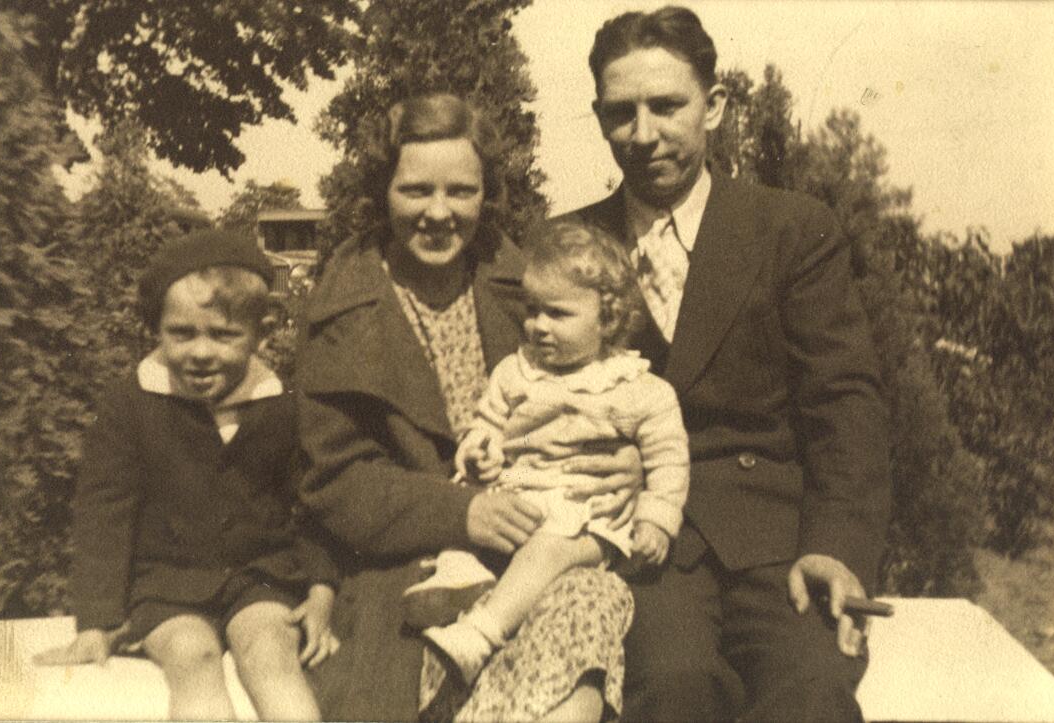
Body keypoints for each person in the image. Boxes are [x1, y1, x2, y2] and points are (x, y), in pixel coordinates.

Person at [556, 6, 892, 721]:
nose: (644, 135)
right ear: (599, 117)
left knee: (811, 688)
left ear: (716, 107)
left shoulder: (791, 229)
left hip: (776, 546)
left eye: (667, 105)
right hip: (641, 546)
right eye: (621, 113)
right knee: (671, 686)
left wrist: (837, 547)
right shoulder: (568, 245)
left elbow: (845, 404)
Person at [297, 93, 641, 723]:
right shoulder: (343, 308)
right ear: (383, 192)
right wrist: (464, 513)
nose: (438, 213)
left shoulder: (532, 288)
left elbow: (614, 388)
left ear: (486, 193)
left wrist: (628, 463)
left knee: (581, 630)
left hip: (535, 545)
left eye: (461, 191)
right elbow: (335, 481)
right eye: (415, 191)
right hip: (398, 566)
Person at [34, 230, 339, 721]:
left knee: (271, 653)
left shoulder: (280, 404)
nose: (201, 352)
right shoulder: (132, 404)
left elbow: (313, 501)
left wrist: (321, 588)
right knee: (191, 657)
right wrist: (97, 621)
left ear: (261, 333)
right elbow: (104, 512)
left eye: (223, 335)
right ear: (156, 328)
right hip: (164, 584)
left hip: (259, 577)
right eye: (182, 333)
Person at [417, 221, 690, 686]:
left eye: (558, 314)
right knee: (470, 512)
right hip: (522, 493)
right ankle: (458, 581)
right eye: (533, 310)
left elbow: (669, 460)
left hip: (587, 513)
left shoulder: (640, 390)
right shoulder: (515, 371)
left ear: (608, 319)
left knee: (551, 546)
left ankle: (481, 634)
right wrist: (479, 451)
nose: (538, 326)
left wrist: (656, 520)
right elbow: (487, 424)